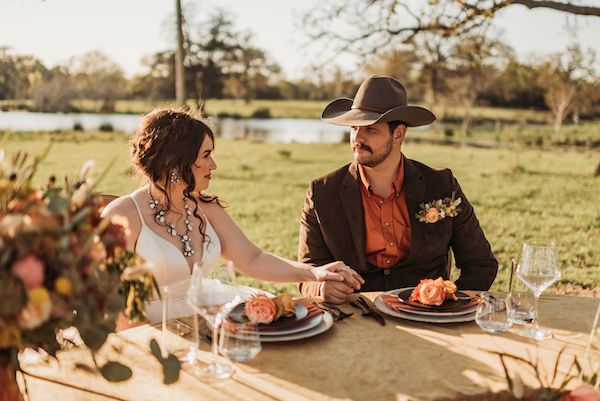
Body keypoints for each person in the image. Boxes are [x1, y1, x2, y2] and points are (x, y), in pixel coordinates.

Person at [102, 108, 363, 322]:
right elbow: (107, 301)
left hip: (206, 315)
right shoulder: (123, 215)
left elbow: (252, 258)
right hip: (145, 327)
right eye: (206, 155)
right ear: (174, 161)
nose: (213, 165)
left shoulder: (205, 207)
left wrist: (313, 273)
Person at [297, 75, 498, 303]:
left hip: (426, 315)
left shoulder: (441, 185)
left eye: (370, 129)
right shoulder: (323, 192)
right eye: (354, 128)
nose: (357, 138)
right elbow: (307, 270)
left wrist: (452, 303)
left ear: (398, 134)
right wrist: (318, 288)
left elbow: (481, 263)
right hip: (355, 314)